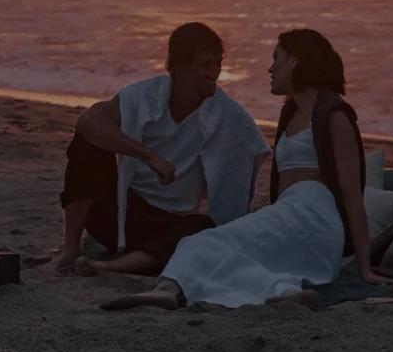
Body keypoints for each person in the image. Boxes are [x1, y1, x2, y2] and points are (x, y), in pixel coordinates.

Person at [104, 28, 393, 310]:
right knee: (216, 247)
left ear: (294, 61)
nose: (270, 68)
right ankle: (281, 291)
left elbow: (352, 197)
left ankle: (171, 289)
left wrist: (364, 269)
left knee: (204, 243)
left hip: (315, 219)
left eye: (276, 57)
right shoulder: (290, 112)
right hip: (290, 213)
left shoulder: (335, 115)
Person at [55, 22, 271, 276]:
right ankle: (70, 249)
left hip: (170, 223)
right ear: (176, 67)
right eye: (205, 65)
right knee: (87, 145)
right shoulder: (145, 96)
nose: (214, 73)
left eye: (217, 63)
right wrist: (149, 156)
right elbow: (89, 122)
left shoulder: (228, 114)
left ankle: (110, 267)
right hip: (121, 216)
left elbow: (254, 155)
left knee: (203, 227)